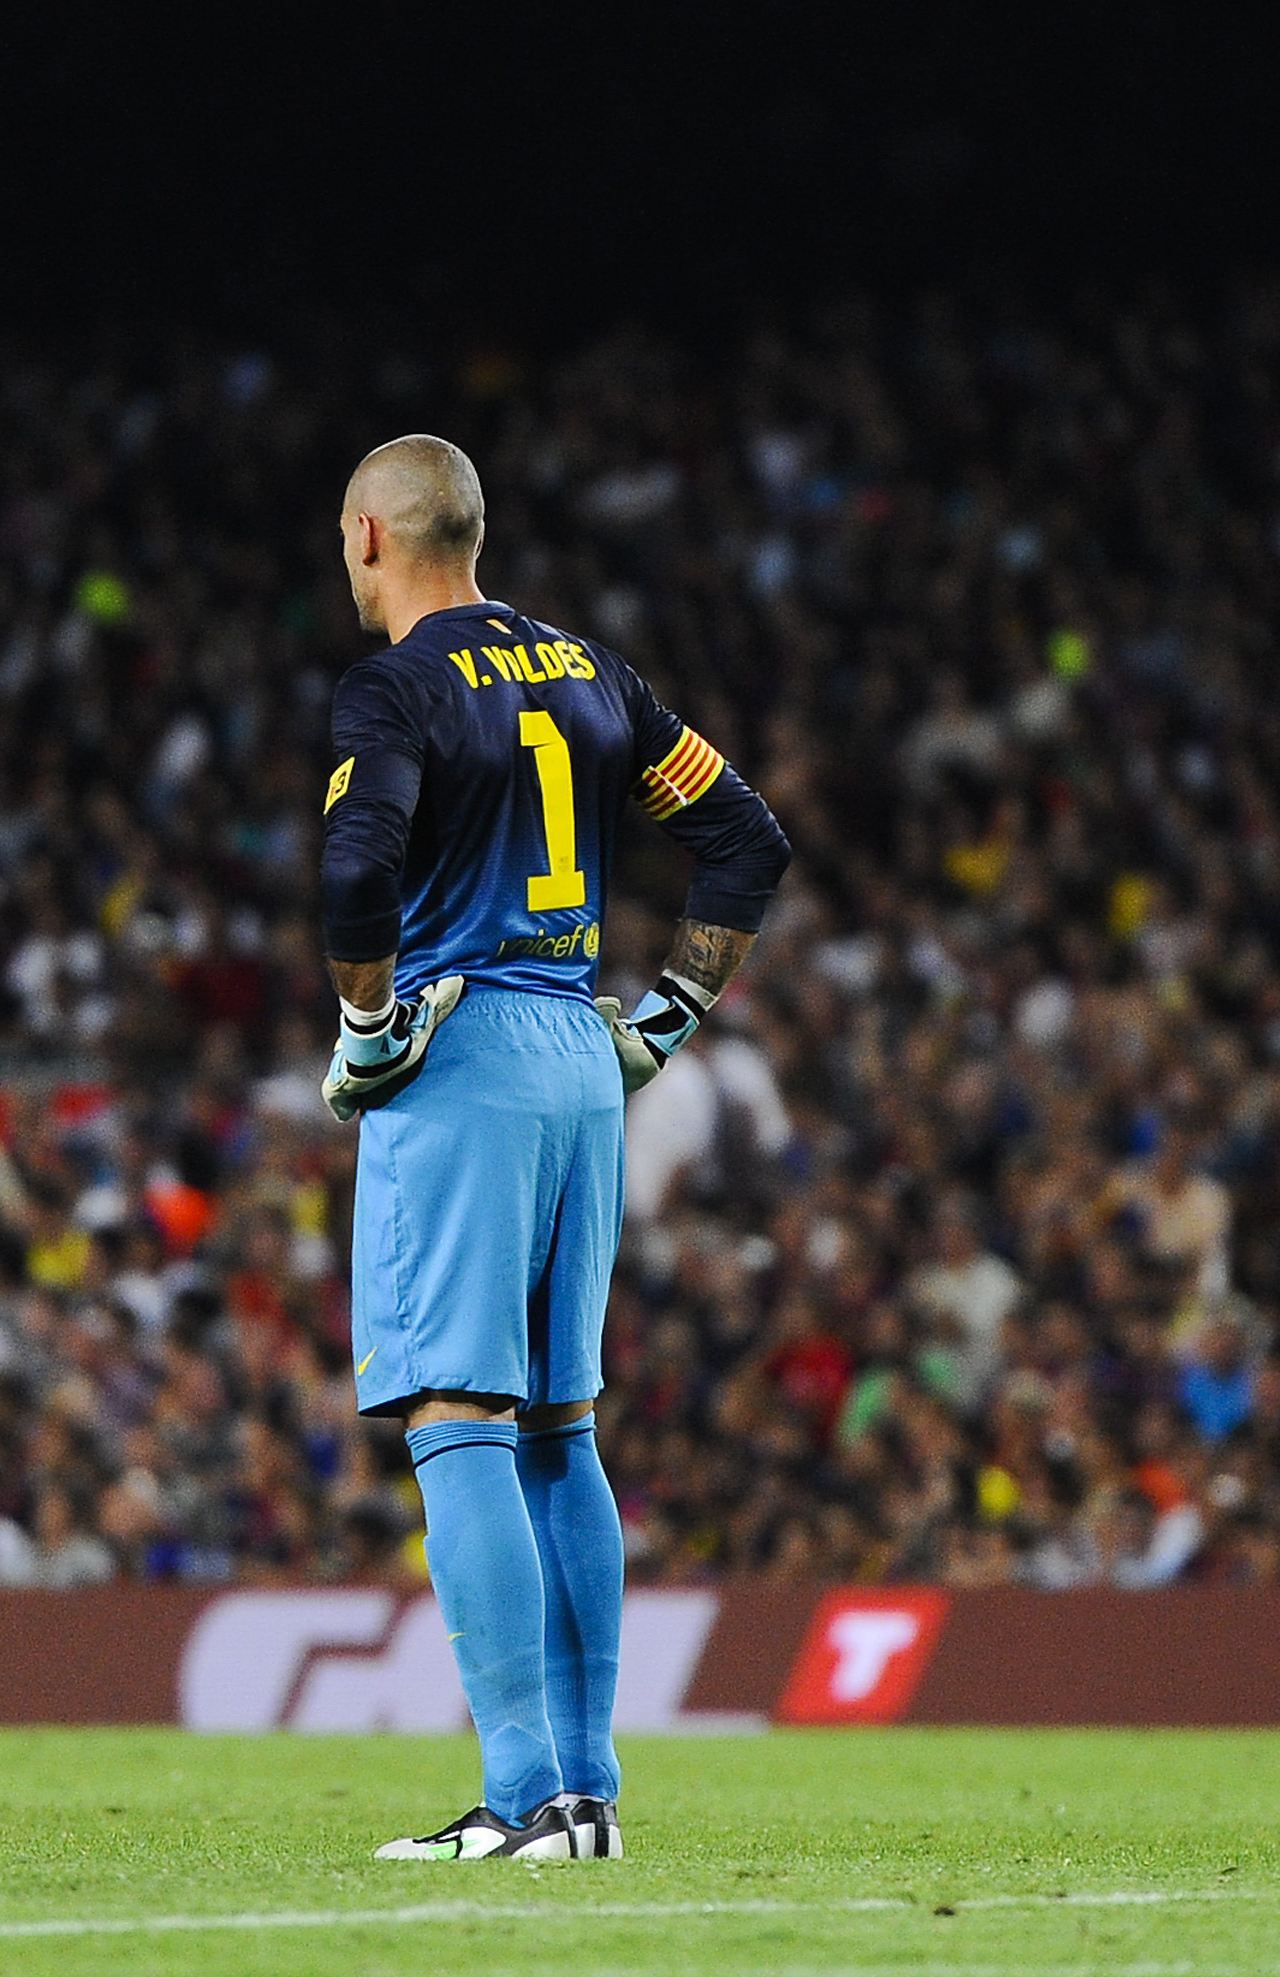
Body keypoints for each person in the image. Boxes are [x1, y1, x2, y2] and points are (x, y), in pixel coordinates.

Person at [317, 436, 788, 1860]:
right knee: (558, 1428)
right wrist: (667, 1019)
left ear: (366, 540)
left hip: (459, 1058)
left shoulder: (393, 685)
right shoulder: (590, 673)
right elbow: (744, 841)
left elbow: (356, 873)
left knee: (452, 1415)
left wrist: (368, 1030)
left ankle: (520, 1795)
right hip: (582, 1053)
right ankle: (582, 1796)